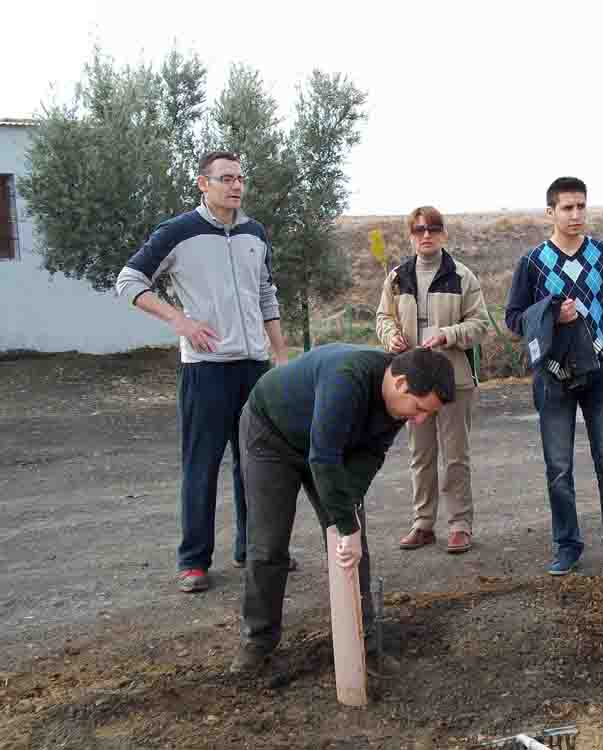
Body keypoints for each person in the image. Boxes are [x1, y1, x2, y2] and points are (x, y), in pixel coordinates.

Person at [116, 151, 290, 594]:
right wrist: (180, 321)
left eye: (240, 178)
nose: (235, 186)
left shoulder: (255, 233)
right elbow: (130, 280)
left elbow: (267, 295)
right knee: (202, 465)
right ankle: (193, 561)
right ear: (202, 184)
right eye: (225, 178)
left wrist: (281, 354)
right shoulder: (178, 232)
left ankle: (254, 550)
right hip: (206, 371)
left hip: (255, 368)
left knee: (255, 464)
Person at [230, 344, 455, 673]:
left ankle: (362, 641)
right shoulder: (347, 379)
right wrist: (345, 526)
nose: (419, 420)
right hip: (272, 436)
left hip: (327, 448)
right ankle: (258, 640)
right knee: (268, 543)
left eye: (427, 414)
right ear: (401, 383)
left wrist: (347, 517)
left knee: (353, 546)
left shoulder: (396, 405)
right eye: (420, 408)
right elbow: (323, 456)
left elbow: (369, 457)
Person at [505, 176, 603, 576]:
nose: (576, 215)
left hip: (600, 373)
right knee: (559, 468)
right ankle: (566, 545)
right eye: (567, 208)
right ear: (550, 212)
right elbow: (514, 318)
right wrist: (554, 313)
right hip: (553, 376)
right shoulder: (532, 262)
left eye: (581, 206)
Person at [376, 206, 489, 554]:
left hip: (454, 381)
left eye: (433, 229)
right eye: (419, 229)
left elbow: (480, 325)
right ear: (411, 235)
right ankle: (423, 524)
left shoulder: (462, 276)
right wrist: (390, 336)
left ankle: (459, 525)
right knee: (420, 454)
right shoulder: (396, 277)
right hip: (413, 385)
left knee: (456, 456)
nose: (426, 235)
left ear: (443, 234)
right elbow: (383, 317)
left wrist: (448, 335)